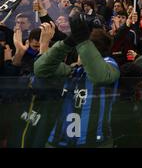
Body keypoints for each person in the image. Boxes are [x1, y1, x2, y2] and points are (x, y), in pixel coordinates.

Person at [32, 14, 120, 147]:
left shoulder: (110, 65)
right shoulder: (73, 70)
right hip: (58, 142)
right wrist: (68, 42)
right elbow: (40, 69)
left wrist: (83, 42)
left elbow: (100, 77)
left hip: (94, 143)